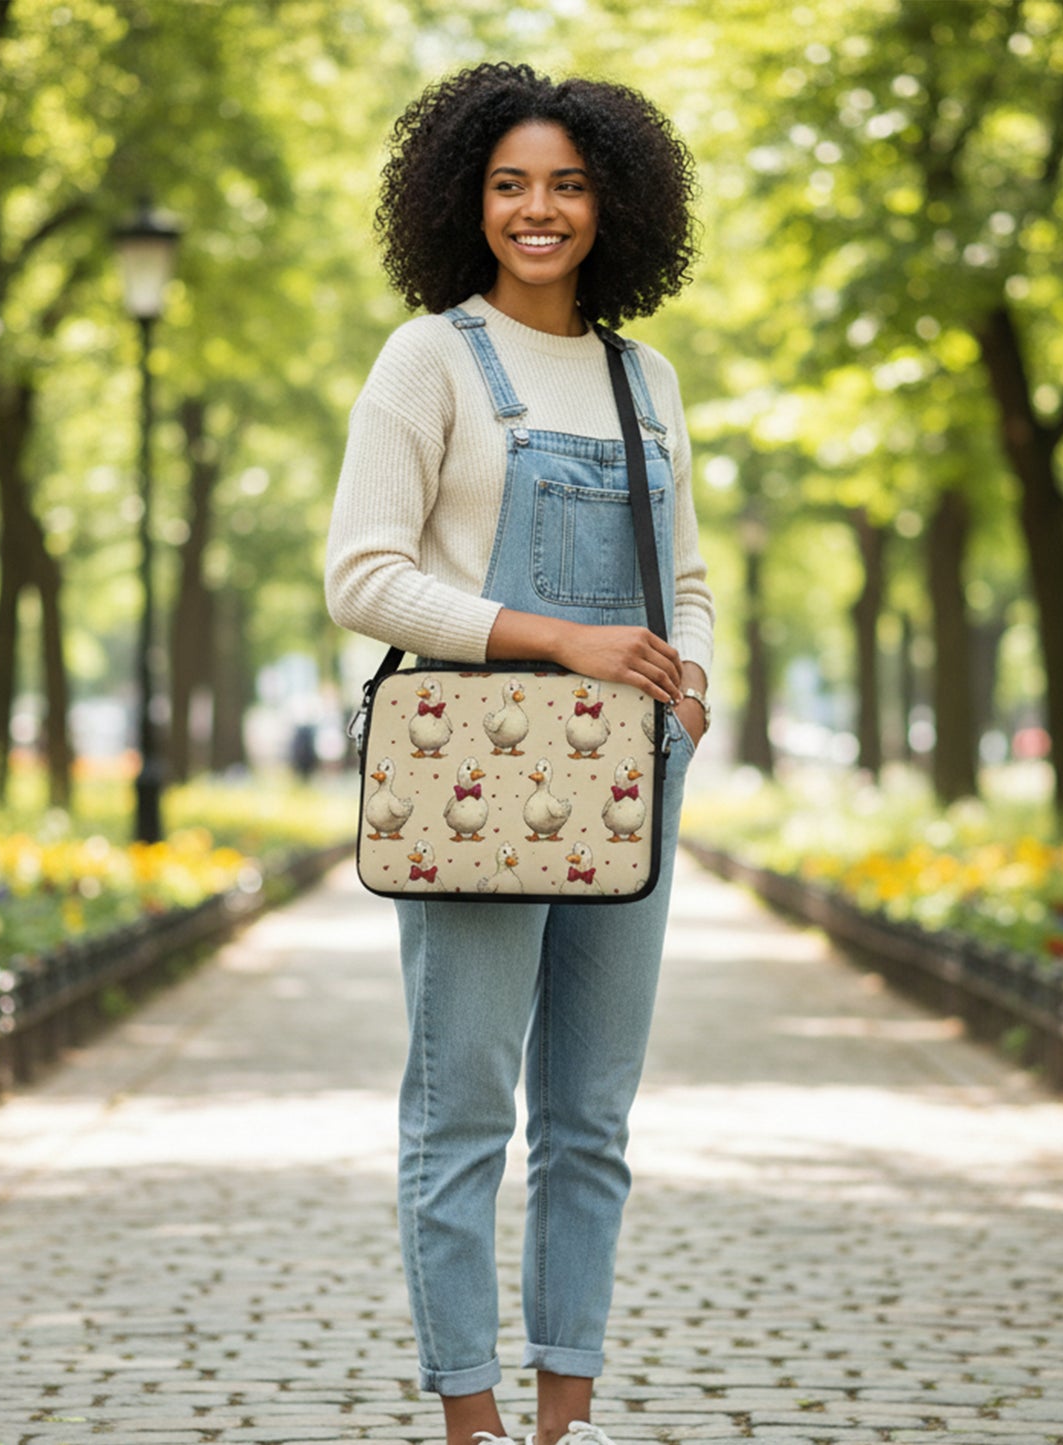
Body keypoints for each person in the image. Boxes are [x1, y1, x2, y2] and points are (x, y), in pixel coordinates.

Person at [324, 61, 715, 1445]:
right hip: (472, 774)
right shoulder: (426, 358)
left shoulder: (642, 373)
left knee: (589, 1120)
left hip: (626, 779)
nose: (536, 210)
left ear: (613, 202)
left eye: (564, 183)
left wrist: (688, 670)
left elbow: (684, 572)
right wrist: (559, 640)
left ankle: (567, 1416)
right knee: (462, 1113)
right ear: (464, 200)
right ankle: (470, 1420)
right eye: (508, 184)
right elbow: (362, 577)